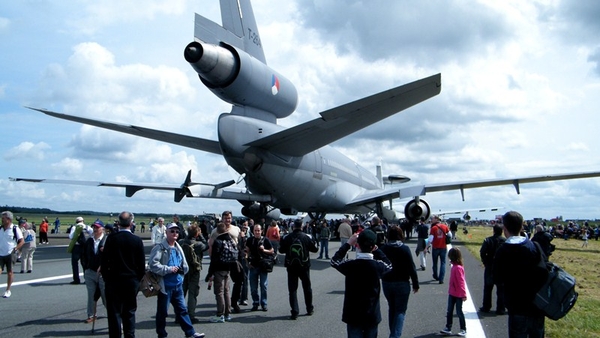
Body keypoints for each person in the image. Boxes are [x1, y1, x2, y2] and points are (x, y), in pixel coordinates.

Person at [494, 211, 548, 338]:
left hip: (517, 305)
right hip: (537, 305)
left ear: (505, 229)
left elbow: (497, 278)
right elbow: (544, 271)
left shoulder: (503, 250)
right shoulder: (535, 246)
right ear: (521, 227)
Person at [331, 230, 392, 337]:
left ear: (357, 245)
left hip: (353, 314)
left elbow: (334, 261)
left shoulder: (351, 265)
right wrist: (376, 250)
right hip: (371, 313)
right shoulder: (377, 266)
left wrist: (348, 243)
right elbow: (389, 264)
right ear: (373, 247)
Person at [149, 223, 205, 338]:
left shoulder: (178, 247)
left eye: (177, 232)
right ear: (166, 233)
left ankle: (190, 333)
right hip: (165, 286)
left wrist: (183, 270)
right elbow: (153, 265)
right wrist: (168, 269)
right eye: (172, 231)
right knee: (163, 312)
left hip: (178, 284)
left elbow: (184, 264)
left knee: (182, 310)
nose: (175, 233)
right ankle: (162, 334)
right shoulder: (160, 248)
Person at [101, 211, 146, 338]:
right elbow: (141, 265)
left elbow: (104, 262)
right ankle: (129, 335)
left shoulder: (111, 239)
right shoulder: (137, 240)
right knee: (129, 312)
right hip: (131, 281)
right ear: (131, 223)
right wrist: (137, 281)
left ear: (119, 223)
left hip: (114, 281)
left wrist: (107, 279)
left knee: (114, 313)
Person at [380, 226, 419, 338]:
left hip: (387, 282)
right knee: (400, 310)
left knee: (392, 308)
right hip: (402, 282)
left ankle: (393, 332)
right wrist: (415, 284)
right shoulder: (404, 248)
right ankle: (395, 335)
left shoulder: (383, 248)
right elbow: (411, 267)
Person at [279, 219, 319, 320]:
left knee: (292, 290)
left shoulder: (288, 237)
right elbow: (315, 249)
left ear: (293, 226)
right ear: (301, 226)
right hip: (304, 266)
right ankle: (309, 308)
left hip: (291, 266)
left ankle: (295, 312)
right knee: (307, 288)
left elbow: (281, 250)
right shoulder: (305, 237)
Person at [205, 222, 237, 323]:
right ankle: (228, 313)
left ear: (217, 231)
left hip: (219, 268)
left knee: (219, 292)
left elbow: (214, 259)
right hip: (228, 268)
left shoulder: (218, 241)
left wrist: (210, 273)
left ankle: (220, 314)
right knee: (227, 291)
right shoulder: (230, 240)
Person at [178, 224, 208, 323]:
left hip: (183, 270)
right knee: (192, 293)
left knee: (182, 293)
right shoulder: (198, 244)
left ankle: (179, 315)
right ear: (196, 234)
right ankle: (191, 315)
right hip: (194, 270)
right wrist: (201, 236)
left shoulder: (181, 242)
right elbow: (206, 245)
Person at [81, 220, 107, 324]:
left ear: (102, 229)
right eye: (94, 227)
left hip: (103, 274)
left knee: (105, 295)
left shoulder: (107, 240)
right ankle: (91, 315)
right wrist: (86, 267)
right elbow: (83, 255)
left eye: (97, 227)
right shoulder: (89, 241)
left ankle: (113, 313)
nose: (95, 229)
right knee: (91, 295)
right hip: (90, 272)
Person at [246, 224, 274, 311]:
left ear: (261, 231)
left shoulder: (266, 240)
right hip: (253, 265)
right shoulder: (250, 240)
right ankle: (255, 302)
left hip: (263, 266)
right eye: (255, 230)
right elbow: (247, 251)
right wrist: (247, 262)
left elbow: (272, 251)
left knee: (263, 285)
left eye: (258, 230)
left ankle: (264, 303)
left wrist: (264, 250)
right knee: (253, 287)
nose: (257, 232)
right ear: (253, 231)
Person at [479, 224, 506, 314]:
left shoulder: (488, 240)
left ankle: (486, 306)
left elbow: (482, 252)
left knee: (488, 288)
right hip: (501, 268)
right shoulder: (505, 241)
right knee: (501, 289)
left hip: (490, 266)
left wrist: (485, 262)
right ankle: (501, 308)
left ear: (493, 230)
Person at [440, 247, 467, 337]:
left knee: (459, 311)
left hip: (458, 294)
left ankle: (463, 329)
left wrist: (463, 294)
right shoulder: (454, 267)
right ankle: (448, 327)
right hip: (452, 293)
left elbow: (461, 282)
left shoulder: (458, 268)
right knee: (449, 311)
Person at [1, 211, 24, 298]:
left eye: (3, 218)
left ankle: (8, 290)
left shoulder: (15, 228)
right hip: (0, 253)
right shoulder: (0, 228)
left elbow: (22, 241)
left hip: (10, 253)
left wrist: (16, 249)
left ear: (8, 219)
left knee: (9, 272)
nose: (2, 220)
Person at [68, 216, 92, 285]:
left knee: (75, 264)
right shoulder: (87, 227)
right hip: (85, 247)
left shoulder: (74, 227)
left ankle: (76, 279)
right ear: (83, 221)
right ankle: (86, 279)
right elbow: (92, 234)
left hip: (76, 247)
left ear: (76, 221)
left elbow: (71, 236)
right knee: (85, 264)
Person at [428, 215, 450, 283]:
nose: (431, 220)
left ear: (436, 219)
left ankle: (435, 275)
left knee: (435, 263)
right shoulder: (445, 226)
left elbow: (430, 239)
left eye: (433, 219)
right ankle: (441, 278)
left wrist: (427, 246)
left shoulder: (433, 228)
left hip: (435, 247)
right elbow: (450, 235)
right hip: (443, 247)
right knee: (443, 263)